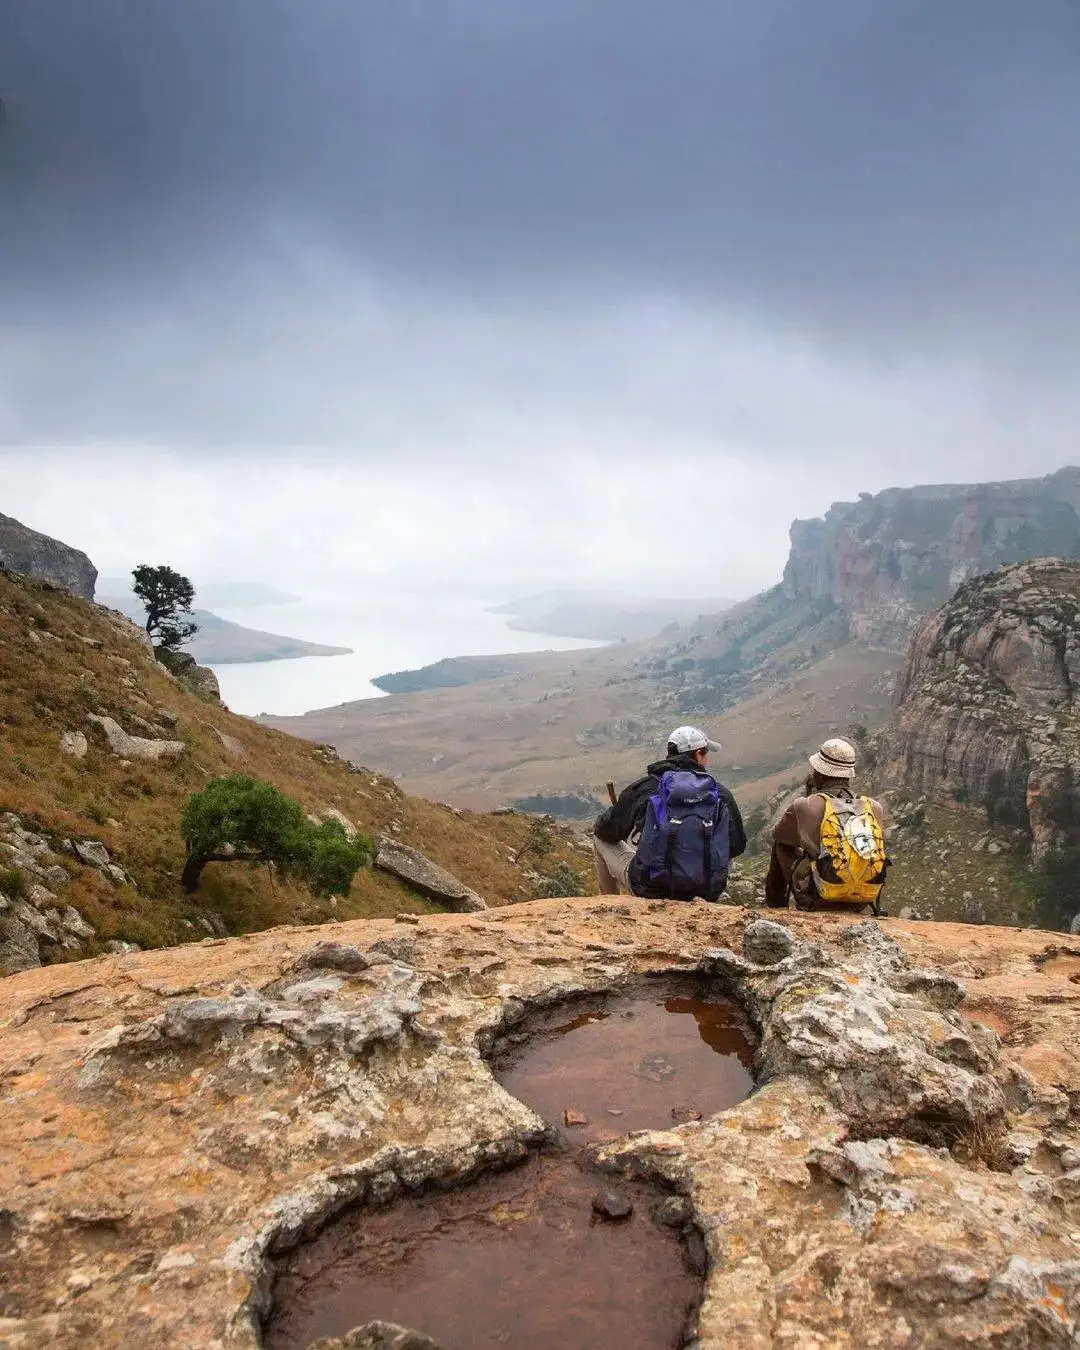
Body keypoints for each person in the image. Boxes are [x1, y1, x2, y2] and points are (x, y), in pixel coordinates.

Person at [592, 725, 746, 899]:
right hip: (705, 892)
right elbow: (737, 845)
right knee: (724, 836)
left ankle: (608, 904)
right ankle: (707, 895)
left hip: (650, 890)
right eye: (706, 753)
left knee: (599, 838)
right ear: (698, 755)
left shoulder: (645, 787)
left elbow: (606, 831)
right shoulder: (720, 793)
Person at [765, 737, 886, 909]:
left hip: (819, 897)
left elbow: (778, 834)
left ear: (819, 774)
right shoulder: (874, 807)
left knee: (781, 844)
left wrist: (808, 795)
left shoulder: (804, 806)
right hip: (862, 899)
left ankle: (775, 906)